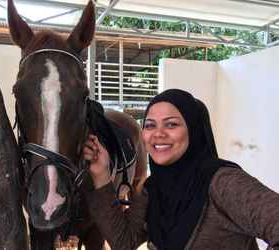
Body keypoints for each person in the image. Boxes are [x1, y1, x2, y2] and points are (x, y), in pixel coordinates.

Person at [83, 89, 279, 250]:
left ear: (192, 130)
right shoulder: (151, 189)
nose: (158, 134)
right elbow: (124, 242)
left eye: (171, 124)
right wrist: (101, 176)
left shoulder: (222, 182)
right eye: (150, 125)